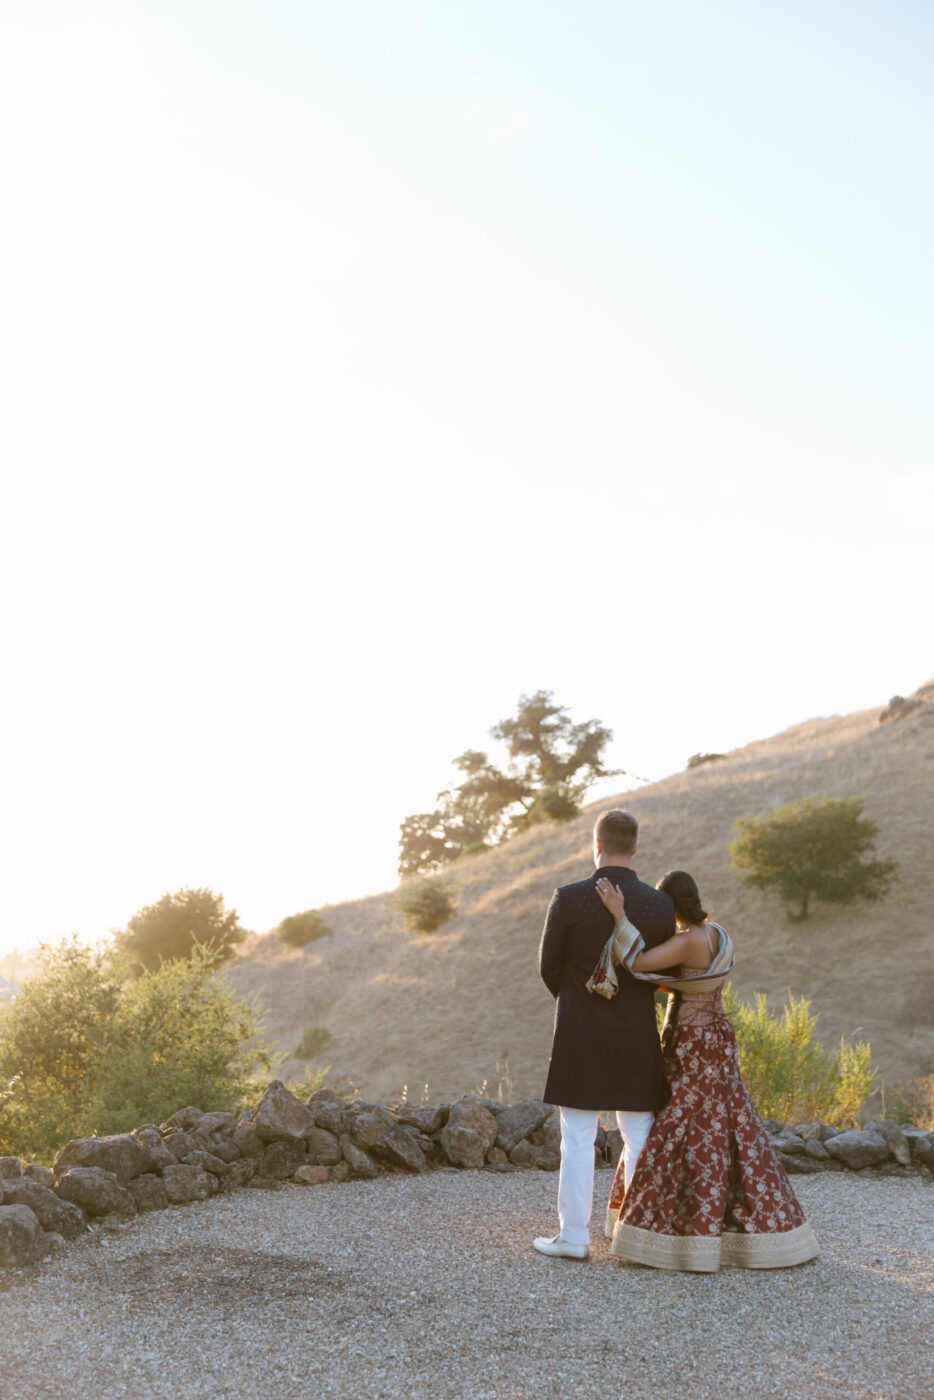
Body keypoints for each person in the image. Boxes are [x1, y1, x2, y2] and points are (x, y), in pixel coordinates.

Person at [593, 870, 819, 1271]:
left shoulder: (686, 941)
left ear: (670, 905)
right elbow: (692, 982)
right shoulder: (718, 934)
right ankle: (759, 1228)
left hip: (691, 1038)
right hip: (719, 1033)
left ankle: (671, 1229)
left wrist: (619, 915)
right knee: (731, 1119)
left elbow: (637, 962)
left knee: (679, 1120)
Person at [533, 809, 676, 1260]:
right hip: (636, 1034)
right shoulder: (658, 906)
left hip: (580, 1034)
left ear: (595, 845)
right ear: (635, 847)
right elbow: (665, 973)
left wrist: (579, 1003)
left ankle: (574, 1237)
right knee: (638, 1135)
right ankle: (633, 1239)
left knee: (576, 1135)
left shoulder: (569, 897)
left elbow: (548, 968)